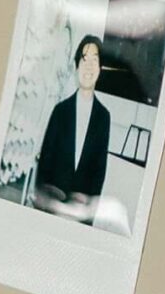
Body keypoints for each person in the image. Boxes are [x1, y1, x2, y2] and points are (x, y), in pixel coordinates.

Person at [30, 36, 112, 222]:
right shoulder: (60, 111)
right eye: (84, 59)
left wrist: (87, 212)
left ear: (100, 69)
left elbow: (99, 172)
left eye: (94, 60)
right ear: (77, 66)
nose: (89, 66)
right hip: (51, 208)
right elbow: (44, 165)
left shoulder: (103, 118)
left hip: (80, 215)